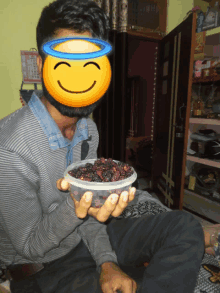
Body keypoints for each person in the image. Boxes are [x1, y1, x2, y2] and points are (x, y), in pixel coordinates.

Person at [0, 0, 219, 292]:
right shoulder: (11, 148)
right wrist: (77, 203)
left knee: (185, 225)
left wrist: (106, 262)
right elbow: (30, 246)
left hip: (85, 242)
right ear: (42, 66)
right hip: (41, 270)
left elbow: (91, 217)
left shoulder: (88, 129)